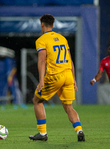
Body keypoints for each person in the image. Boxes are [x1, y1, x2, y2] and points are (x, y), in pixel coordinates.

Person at [29, 14, 85, 142]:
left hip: (55, 76)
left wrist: (41, 80)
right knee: (69, 107)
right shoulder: (62, 38)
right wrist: (74, 79)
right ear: (53, 25)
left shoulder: (41, 40)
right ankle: (79, 131)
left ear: (42, 24)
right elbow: (70, 60)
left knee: (37, 100)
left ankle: (42, 134)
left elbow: (42, 61)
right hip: (68, 75)